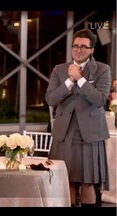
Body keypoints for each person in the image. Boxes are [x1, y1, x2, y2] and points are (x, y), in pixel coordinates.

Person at [45, 29, 111, 207]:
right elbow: (50, 99)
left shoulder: (103, 70)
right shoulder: (59, 70)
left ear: (92, 50)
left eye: (84, 47)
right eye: (75, 46)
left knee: (87, 181)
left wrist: (80, 79)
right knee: (66, 181)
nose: (78, 50)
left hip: (89, 134)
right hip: (64, 132)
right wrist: (69, 82)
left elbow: (100, 100)